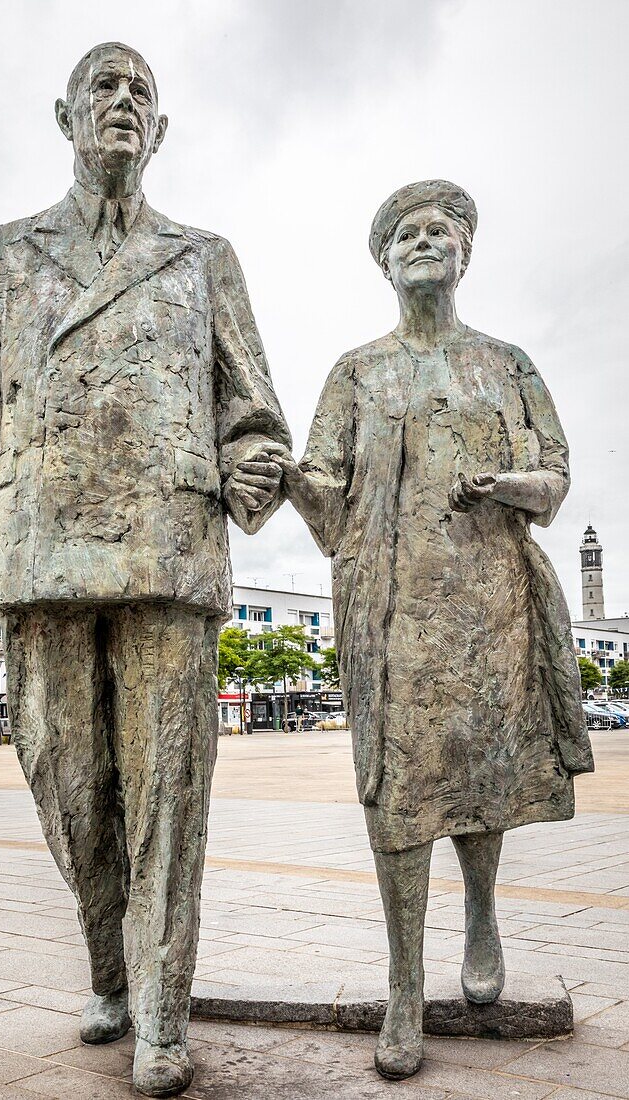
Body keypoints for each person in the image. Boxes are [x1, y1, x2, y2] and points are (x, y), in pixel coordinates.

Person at [0, 42, 289, 1097]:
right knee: (67, 786)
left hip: (166, 546)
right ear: (65, 115)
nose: (123, 103)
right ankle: (106, 962)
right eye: (104, 87)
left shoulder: (202, 254)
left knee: (170, 792)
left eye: (141, 92)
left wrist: (254, 470)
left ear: (162, 130)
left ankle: (162, 1010)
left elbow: (253, 409)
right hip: (37, 546)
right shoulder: (0, 254)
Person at [270, 180, 594, 1081]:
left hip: (489, 600)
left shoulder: (507, 362)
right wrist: (290, 479)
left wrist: (505, 485)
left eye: (438, 231)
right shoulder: (356, 370)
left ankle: (482, 913)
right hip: (389, 608)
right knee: (399, 787)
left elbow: (556, 478)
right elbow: (329, 501)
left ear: (464, 252)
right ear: (383, 260)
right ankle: (404, 983)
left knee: (480, 774)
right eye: (404, 234)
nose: (421, 243)